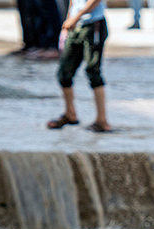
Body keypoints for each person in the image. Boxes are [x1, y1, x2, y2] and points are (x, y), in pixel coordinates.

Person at [47, 0, 112, 132]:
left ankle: (102, 120)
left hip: (93, 24)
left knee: (93, 71)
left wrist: (75, 18)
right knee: (64, 72)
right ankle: (70, 113)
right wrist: (69, 21)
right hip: (76, 26)